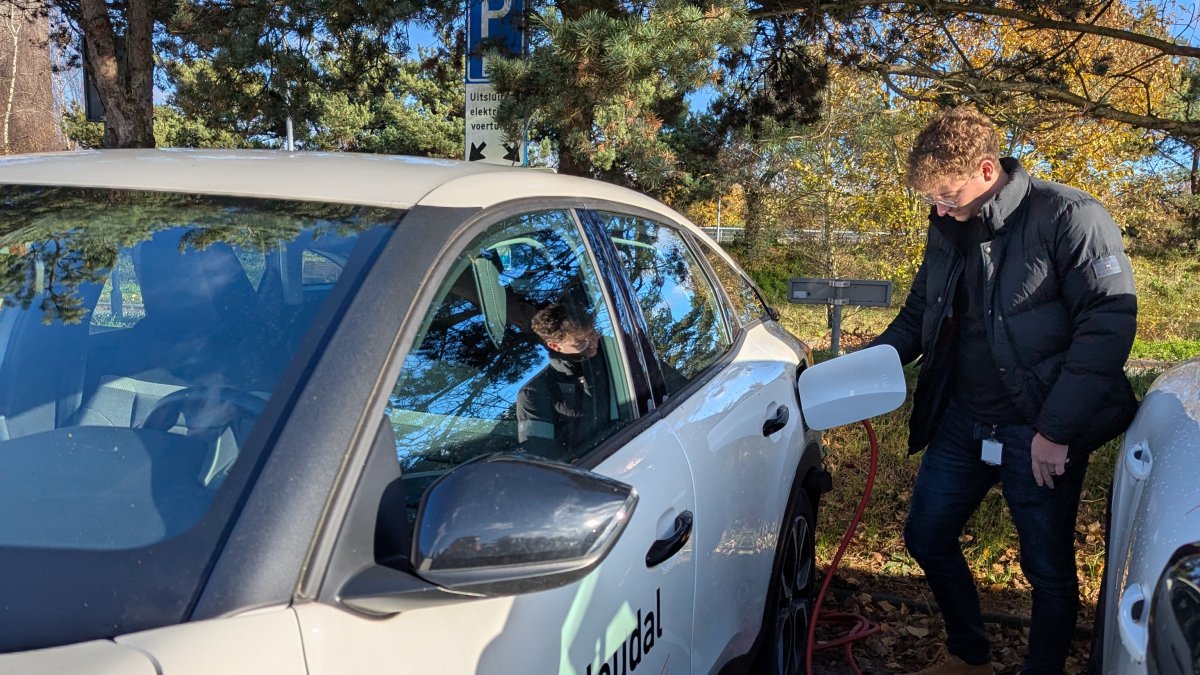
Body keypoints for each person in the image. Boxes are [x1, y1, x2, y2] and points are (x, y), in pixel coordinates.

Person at [872, 106, 1138, 675]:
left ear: (987, 171)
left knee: (1047, 570)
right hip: (963, 420)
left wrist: (1057, 430)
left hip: (1039, 426)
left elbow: (1107, 325)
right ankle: (969, 656)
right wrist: (864, 367)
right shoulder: (946, 226)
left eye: (947, 195)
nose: (939, 209)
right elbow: (919, 313)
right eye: (931, 199)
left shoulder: (1071, 216)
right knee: (926, 535)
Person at [516, 302, 612, 459]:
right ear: (555, 346)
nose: (593, 344)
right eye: (581, 343)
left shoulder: (614, 350)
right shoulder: (534, 394)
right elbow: (542, 456)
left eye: (593, 333)